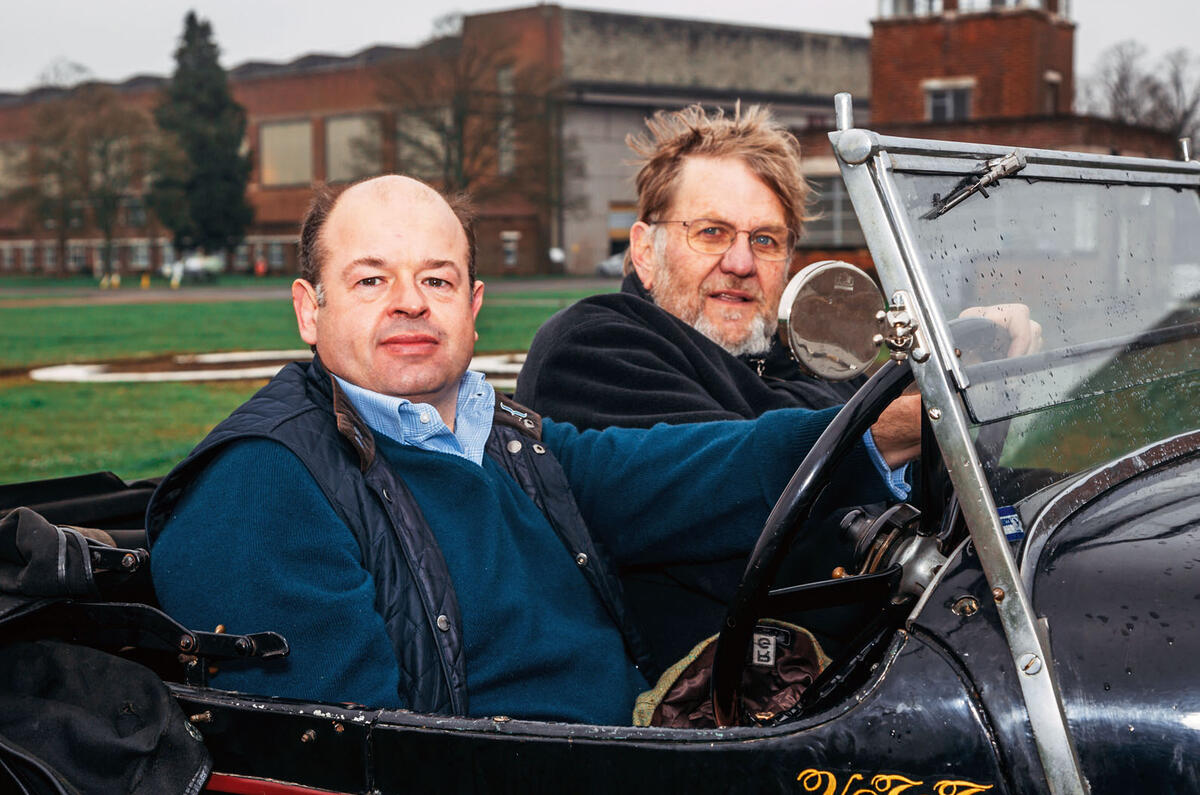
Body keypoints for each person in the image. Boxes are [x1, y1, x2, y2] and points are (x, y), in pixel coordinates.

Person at [147, 175, 917, 725]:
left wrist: (886, 425)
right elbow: (357, 757)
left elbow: (697, 470)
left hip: (640, 747)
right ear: (309, 310)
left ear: (474, 306)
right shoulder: (262, 483)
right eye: (371, 279)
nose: (410, 301)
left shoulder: (512, 443)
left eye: (437, 279)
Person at [515, 104, 1041, 670]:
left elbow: (940, 505)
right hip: (728, 709)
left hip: (890, 662)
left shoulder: (804, 365)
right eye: (711, 232)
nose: (740, 262)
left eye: (765, 241)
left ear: (789, 263)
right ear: (645, 251)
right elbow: (728, 509)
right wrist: (913, 423)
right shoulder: (593, 344)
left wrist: (982, 379)